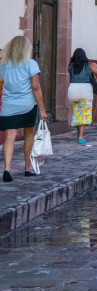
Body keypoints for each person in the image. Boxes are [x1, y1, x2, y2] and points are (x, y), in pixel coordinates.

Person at [0, 36, 48, 182]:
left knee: (9, 137)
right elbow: (36, 87)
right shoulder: (30, 64)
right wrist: (42, 110)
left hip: (9, 106)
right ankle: (27, 168)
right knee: (29, 134)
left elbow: (1, 87)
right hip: (27, 105)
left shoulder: (3, 65)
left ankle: (7, 168)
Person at [67, 48, 97, 145]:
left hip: (72, 90)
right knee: (84, 114)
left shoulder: (71, 66)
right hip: (85, 91)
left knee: (77, 113)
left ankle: (78, 134)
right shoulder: (88, 64)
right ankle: (80, 136)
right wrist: (95, 65)